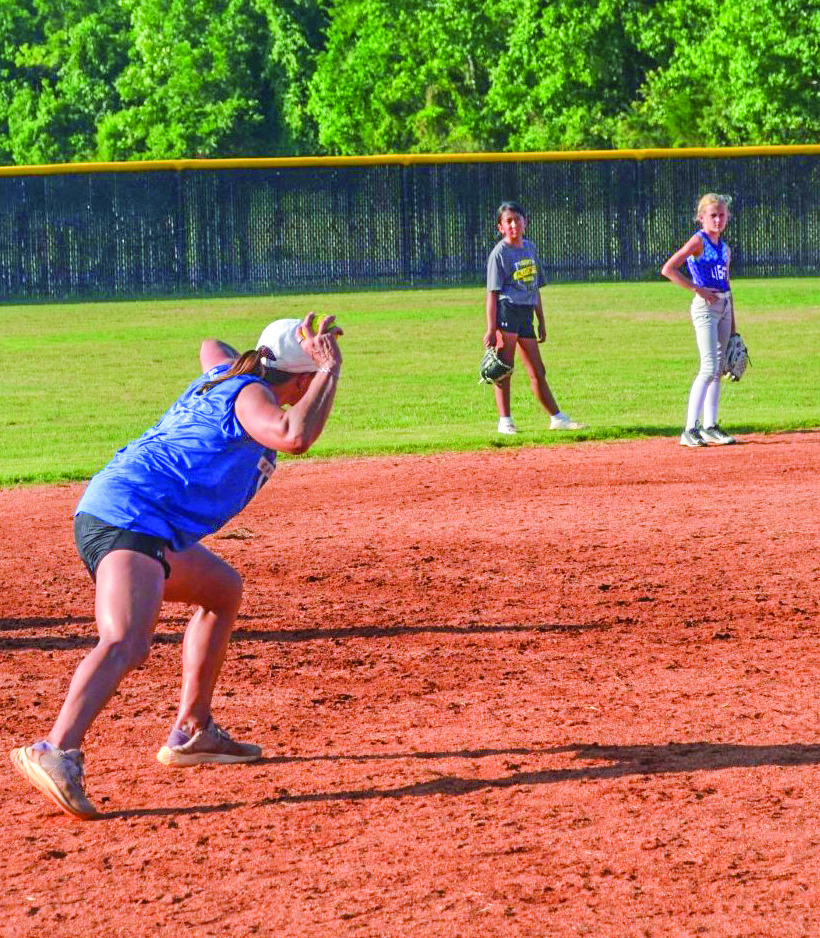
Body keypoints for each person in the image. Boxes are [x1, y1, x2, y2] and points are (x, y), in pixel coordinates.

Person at [10, 312, 343, 820]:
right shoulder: (250, 396)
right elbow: (294, 435)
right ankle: (55, 749)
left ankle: (194, 729)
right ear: (300, 380)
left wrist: (286, 344)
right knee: (126, 639)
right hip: (130, 515)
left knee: (221, 590)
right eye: (308, 379)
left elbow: (211, 344)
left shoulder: (227, 372)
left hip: (140, 517)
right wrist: (330, 370)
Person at [484, 200, 583, 435]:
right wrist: (491, 328)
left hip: (526, 313)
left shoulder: (530, 248)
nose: (513, 224)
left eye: (517, 219)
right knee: (503, 369)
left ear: (525, 222)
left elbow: (535, 287)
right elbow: (492, 293)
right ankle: (505, 421)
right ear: (500, 227)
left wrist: (541, 319)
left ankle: (557, 418)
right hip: (507, 311)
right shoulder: (499, 253)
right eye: (508, 221)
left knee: (537, 370)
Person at [661, 193, 738, 447]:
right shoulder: (699, 241)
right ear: (702, 217)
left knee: (718, 369)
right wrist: (696, 288)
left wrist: (734, 325)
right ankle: (689, 429)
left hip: (724, 304)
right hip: (705, 308)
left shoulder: (725, 248)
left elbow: (727, 284)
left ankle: (710, 426)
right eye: (713, 215)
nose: (718, 220)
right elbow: (668, 269)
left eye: (722, 215)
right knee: (708, 366)